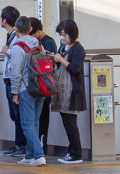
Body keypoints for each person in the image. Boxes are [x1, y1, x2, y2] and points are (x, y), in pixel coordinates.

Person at [9, 16, 45, 166]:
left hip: (26, 89)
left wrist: (15, 93)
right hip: (41, 87)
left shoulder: (17, 48)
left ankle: (39, 155)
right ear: (30, 29)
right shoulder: (39, 44)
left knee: (27, 124)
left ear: (15, 29)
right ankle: (29, 155)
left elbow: (15, 73)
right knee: (34, 123)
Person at [51, 19, 87, 164]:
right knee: (67, 124)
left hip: (72, 92)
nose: (62, 36)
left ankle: (76, 154)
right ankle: (71, 152)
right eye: (60, 34)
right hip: (61, 92)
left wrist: (60, 59)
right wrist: (55, 59)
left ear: (72, 33)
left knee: (71, 124)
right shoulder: (63, 47)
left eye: (64, 34)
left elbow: (75, 68)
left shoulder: (78, 49)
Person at [30, 17, 57, 154]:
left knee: (43, 118)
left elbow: (48, 64)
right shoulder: (40, 42)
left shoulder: (48, 42)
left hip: (45, 85)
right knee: (38, 117)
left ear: (37, 31)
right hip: (39, 85)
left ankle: (42, 145)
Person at [0, 5, 24, 155]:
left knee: (18, 115)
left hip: (14, 81)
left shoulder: (16, 37)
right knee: (15, 115)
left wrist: (7, 51)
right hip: (10, 80)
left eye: (0, 17)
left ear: (4, 20)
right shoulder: (11, 36)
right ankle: (18, 143)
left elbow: (17, 57)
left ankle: (21, 145)